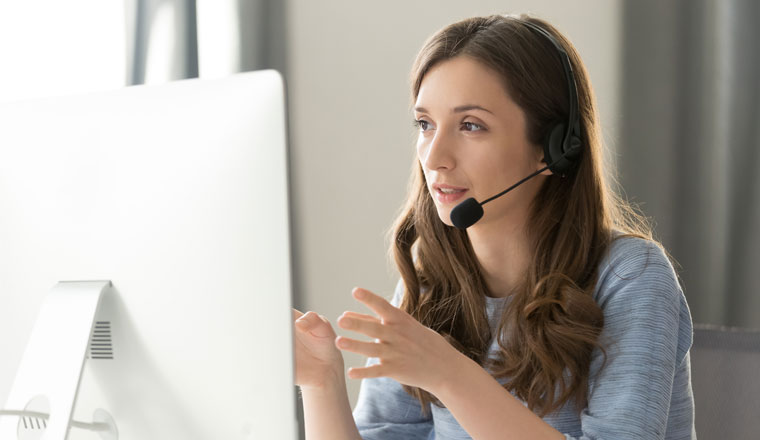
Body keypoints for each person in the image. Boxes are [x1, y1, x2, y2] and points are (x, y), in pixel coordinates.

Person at [292, 13, 695, 440]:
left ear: (554, 149)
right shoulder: (432, 284)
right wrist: (321, 382)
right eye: (425, 124)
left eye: (471, 126)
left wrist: (450, 373)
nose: (434, 157)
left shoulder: (631, 278)